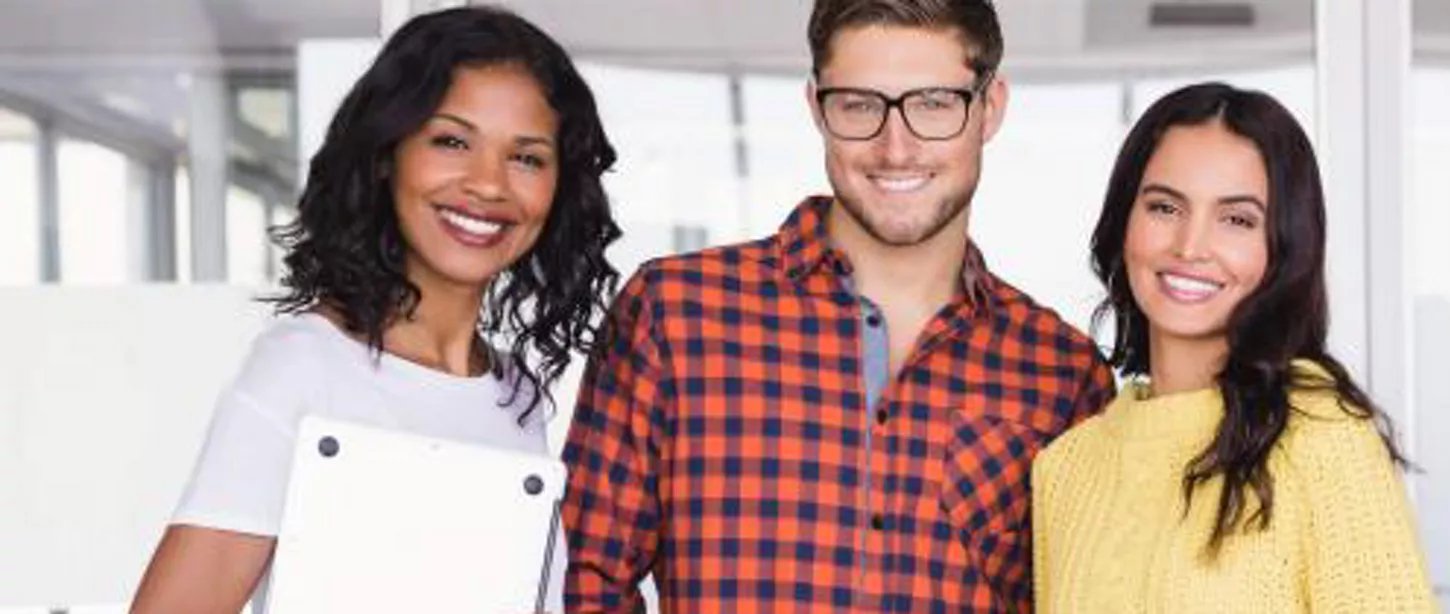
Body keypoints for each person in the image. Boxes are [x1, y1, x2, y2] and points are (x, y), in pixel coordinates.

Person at [559, 0, 1113, 611]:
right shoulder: (674, 313)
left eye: (933, 104)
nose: (896, 148)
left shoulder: (1061, 372)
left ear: (990, 109)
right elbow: (584, 580)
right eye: (859, 105)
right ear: (816, 108)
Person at [129, 6, 620, 613]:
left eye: (526, 157)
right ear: (387, 154)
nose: (489, 184)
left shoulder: (513, 398)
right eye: (451, 141)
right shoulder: (304, 369)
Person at [1031, 82, 1437, 613]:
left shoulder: (1319, 434)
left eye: (1237, 219)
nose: (1191, 247)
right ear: (1123, 222)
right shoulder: (1066, 469)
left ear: (1283, 248)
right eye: (1164, 207)